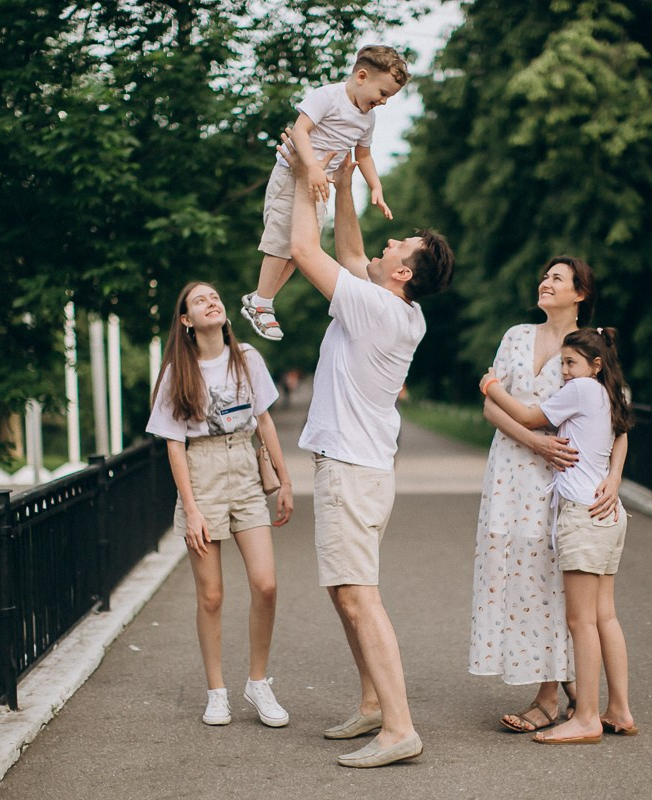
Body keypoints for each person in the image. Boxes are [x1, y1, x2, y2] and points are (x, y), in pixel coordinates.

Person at [280, 133, 454, 767]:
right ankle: (375, 703)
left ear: (403, 273)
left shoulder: (378, 311)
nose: (385, 245)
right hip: (358, 466)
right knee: (343, 590)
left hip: (352, 470)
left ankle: (399, 728)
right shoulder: (390, 306)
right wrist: (349, 181)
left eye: (397, 247)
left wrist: (308, 173)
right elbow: (350, 248)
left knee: (358, 594)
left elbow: (306, 249)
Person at [469, 256, 628, 734]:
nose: (544, 282)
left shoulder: (589, 345)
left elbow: (619, 420)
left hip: (565, 481)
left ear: (580, 292)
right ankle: (564, 683)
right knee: (518, 582)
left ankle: (548, 696)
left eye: (556, 278)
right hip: (509, 475)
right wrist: (533, 441)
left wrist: (615, 479)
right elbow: (491, 407)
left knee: (555, 585)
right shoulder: (516, 335)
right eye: (544, 276)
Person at [146, 282, 295, 728]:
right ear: (187, 321)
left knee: (265, 585)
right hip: (203, 474)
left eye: (215, 297)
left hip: (245, 470)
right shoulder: (178, 372)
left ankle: (258, 682)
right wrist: (190, 509)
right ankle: (216, 692)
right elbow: (175, 446)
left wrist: (285, 481)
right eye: (199, 300)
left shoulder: (247, 358)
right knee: (211, 595)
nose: (212, 301)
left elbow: (264, 420)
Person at [241, 45, 410, 342]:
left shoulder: (367, 118)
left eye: (388, 98)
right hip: (293, 175)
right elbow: (300, 131)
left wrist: (376, 186)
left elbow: (364, 155)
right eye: (382, 93)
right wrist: (312, 168)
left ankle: (261, 299)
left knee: (301, 249)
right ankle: (263, 302)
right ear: (361, 76)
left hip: (319, 185)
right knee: (282, 237)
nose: (383, 102)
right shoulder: (328, 97)